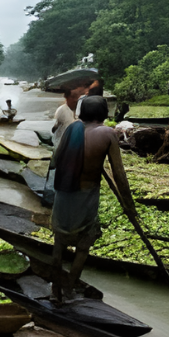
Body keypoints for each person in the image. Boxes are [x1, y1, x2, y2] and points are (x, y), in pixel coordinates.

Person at [50, 96, 136, 300]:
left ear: (82, 113)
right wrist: (129, 206)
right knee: (83, 247)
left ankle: (55, 291)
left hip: (63, 195)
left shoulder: (72, 129)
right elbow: (120, 175)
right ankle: (69, 287)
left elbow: (55, 161)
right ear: (104, 114)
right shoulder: (108, 133)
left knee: (59, 243)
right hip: (85, 198)